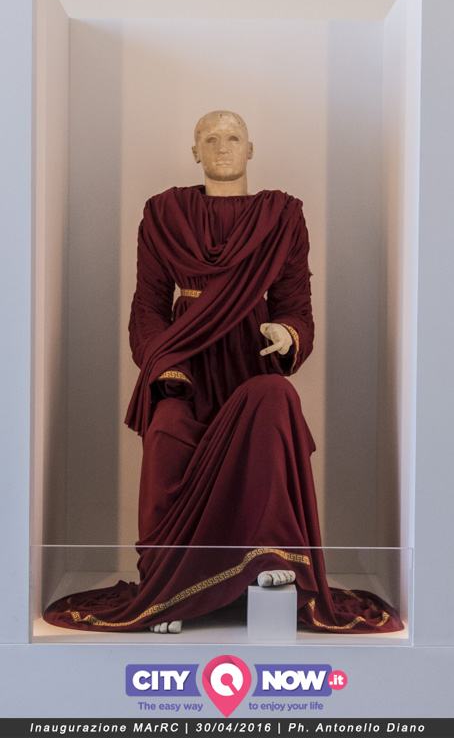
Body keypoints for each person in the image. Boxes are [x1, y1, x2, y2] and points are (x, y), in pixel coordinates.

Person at [43, 110, 404, 635]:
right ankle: (169, 589)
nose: (222, 146)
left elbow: (296, 304)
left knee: (276, 397)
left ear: (250, 148)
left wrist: (287, 333)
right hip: (186, 369)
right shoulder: (165, 213)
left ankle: (272, 557)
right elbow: (147, 307)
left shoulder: (281, 216)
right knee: (166, 431)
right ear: (195, 152)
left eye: (233, 137)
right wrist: (166, 365)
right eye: (209, 139)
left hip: (248, 362)